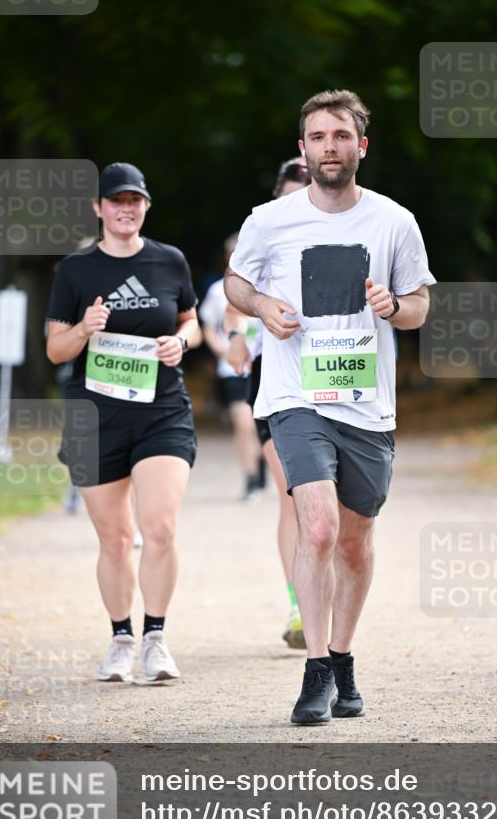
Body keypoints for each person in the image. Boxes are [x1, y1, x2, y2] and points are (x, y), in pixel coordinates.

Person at [225, 90, 436, 724]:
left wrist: (393, 308)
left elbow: (421, 304)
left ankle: (343, 657)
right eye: (317, 137)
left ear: (360, 146)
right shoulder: (270, 220)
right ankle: (315, 670)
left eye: (340, 136)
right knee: (316, 527)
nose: (329, 147)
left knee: (353, 541)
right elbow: (238, 281)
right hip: (295, 397)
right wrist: (263, 309)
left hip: (368, 405)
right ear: (303, 149)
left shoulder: (394, 222)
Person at [46, 162, 200, 684]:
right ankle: (120, 639)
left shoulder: (169, 261)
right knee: (114, 538)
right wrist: (85, 329)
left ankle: (156, 637)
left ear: (146, 207)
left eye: (135, 200)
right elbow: (54, 349)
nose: (126, 209)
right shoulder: (74, 270)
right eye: (117, 201)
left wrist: (182, 343)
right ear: (98, 208)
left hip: (161, 412)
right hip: (96, 417)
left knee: (159, 526)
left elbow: (189, 321)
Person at [225, 157, 311, 648]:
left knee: (335, 502)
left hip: (334, 378)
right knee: (294, 496)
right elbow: (233, 295)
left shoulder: (347, 230)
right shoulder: (263, 234)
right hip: (273, 381)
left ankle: (328, 594)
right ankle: (300, 606)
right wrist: (235, 334)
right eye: (291, 190)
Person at [199, 234, 264, 500]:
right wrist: (222, 349)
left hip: (264, 363)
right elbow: (208, 329)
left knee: (262, 424)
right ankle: (249, 476)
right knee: (242, 420)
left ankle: (262, 464)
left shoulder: (268, 284)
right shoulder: (217, 291)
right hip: (233, 367)